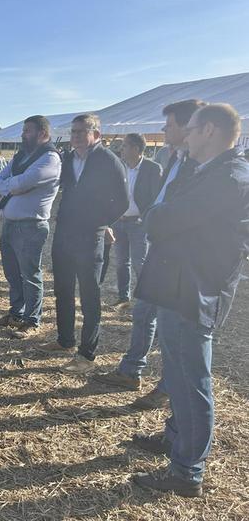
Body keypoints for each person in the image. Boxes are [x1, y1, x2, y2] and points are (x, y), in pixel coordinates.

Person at [130, 104, 249, 498]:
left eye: (192, 129)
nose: (186, 135)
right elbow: (164, 215)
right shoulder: (209, 172)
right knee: (179, 376)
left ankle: (186, 471)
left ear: (210, 130)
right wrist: (160, 217)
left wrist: (158, 217)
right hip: (179, 285)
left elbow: (162, 219)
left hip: (195, 292)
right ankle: (176, 439)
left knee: (190, 380)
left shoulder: (228, 177)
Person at [93, 100, 206, 409]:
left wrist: (151, 220)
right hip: (160, 251)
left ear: (187, 127)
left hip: (175, 258)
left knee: (175, 331)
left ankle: (168, 387)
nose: (163, 130)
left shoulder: (200, 167)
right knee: (143, 313)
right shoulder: (176, 159)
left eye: (168, 125)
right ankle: (132, 371)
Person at [38, 114, 128, 373]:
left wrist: (100, 223)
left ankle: (87, 354)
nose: (74, 136)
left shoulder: (109, 161)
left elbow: (122, 202)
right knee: (63, 290)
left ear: (96, 135)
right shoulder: (67, 159)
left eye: (80, 132)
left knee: (90, 295)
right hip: (65, 235)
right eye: (73, 131)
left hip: (90, 237)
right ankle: (65, 340)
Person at [0, 116, 61, 338]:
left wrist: (12, 185)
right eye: (23, 130)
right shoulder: (21, 156)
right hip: (10, 224)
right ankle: (16, 313)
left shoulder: (50, 158)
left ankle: (32, 319)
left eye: (27, 131)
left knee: (30, 274)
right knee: (12, 273)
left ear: (43, 133)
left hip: (31, 226)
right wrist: (13, 186)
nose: (23, 135)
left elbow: (21, 183)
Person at [110, 133, 162, 305]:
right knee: (121, 262)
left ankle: (144, 300)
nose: (121, 149)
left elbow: (156, 197)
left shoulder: (152, 168)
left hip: (138, 223)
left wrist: (145, 218)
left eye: (124, 146)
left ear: (136, 148)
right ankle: (123, 297)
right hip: (120, 221)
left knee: (140, 263)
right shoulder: (120, 167)